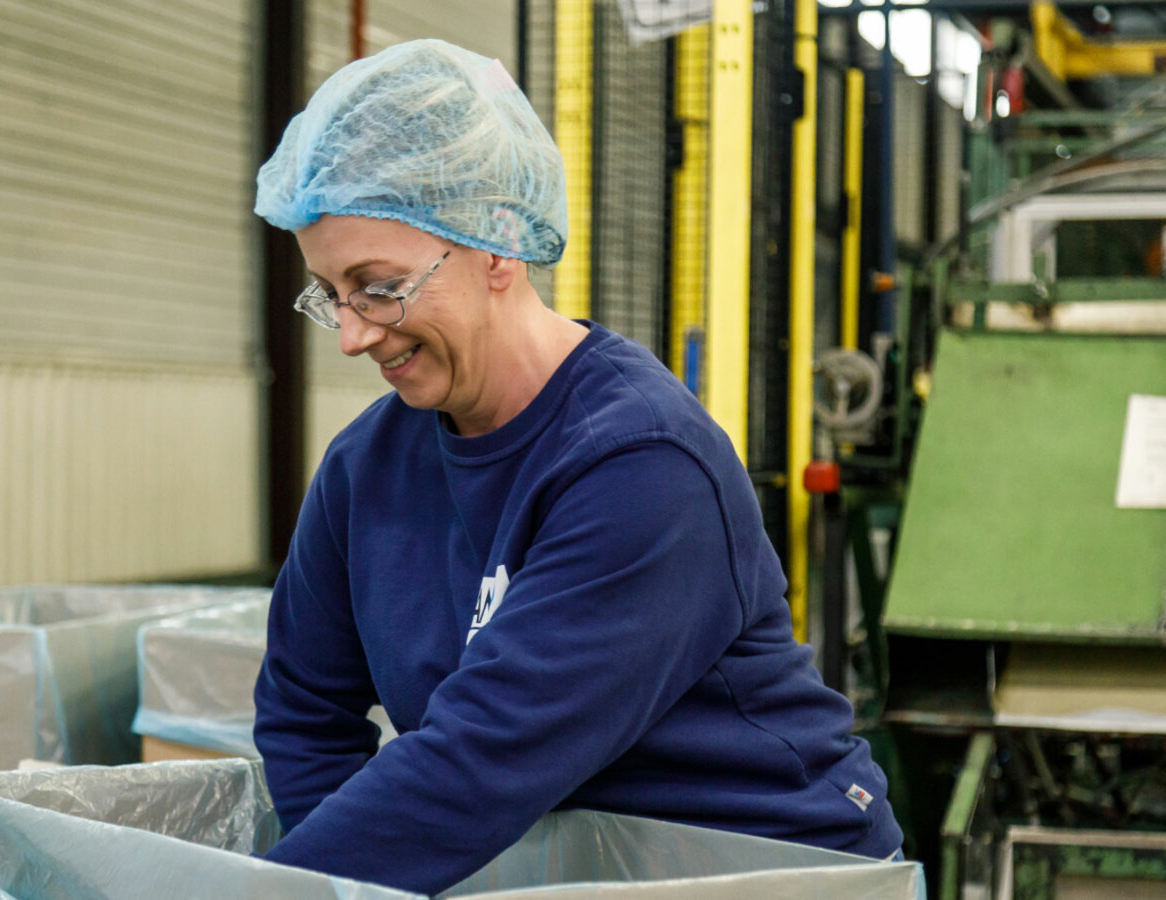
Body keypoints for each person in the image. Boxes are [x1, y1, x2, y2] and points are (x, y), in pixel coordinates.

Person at [251, 38, 902, 896]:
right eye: (330, 294)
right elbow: (304, 712)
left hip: (764, 869)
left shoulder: (638, 466)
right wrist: (335, 887)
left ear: (496, 246)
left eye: (380, 286)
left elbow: (480, 761)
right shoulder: (366, 470)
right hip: (557, 871)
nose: (353, 334)